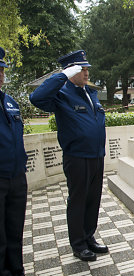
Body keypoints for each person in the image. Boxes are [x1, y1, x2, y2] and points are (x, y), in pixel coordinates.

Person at [30, 50, 108, 261]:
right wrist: (62, 76)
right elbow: (36, 98)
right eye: (81, 69)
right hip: (77, 156)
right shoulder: (61, 94)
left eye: (86, 69)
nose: (86, 73)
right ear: (70, 71)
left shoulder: (90, 93)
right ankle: (78, 244)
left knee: (93, 199)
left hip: (96, 156)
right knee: (78, 200)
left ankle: (89, 236)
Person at [0, 47, 44, 276]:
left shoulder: (9, 101)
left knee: (15, 231)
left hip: (16, 176)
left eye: (2, 69)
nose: (1, 74)